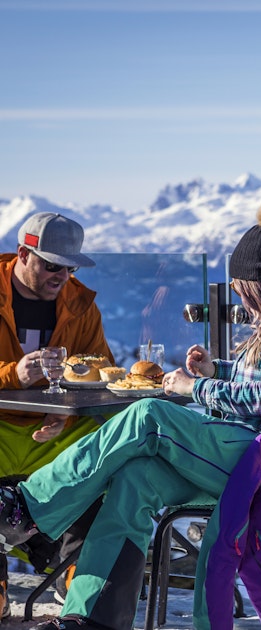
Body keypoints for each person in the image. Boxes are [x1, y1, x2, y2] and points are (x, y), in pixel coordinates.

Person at [0, 201, 261, 629]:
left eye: (239, 286)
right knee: (134, 479)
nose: (237, 295)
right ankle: (90, 619)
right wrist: (214, 370)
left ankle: (26, 508)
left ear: (258, 283)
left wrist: (193, 386)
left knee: (148, 415)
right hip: (247, 447)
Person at [0, 212, 114, 616]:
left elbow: (101, 373)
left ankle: (76, 571)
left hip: (52, 432)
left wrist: (65, 414)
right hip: (1, 427)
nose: (62, 275)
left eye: (69, 267)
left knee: (104, 450)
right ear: (22, 254)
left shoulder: (81, 306)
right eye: (51, 265)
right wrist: (13, 374)